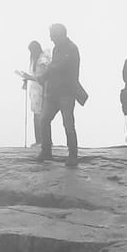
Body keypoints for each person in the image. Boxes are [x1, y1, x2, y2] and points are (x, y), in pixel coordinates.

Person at [37, 22, 85, 164]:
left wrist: (46, 72)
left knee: (68, 124)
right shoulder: (57, 48)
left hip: (67, 93)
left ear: (61, 35)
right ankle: (46, 151)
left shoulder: (71, 49)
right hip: (53, 93)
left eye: (53, 36)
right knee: (44, 120)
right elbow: (54, 67)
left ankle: (73, 155)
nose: (51, 39)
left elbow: (59, 66)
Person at [15, 39, 49, 146]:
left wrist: (29, 77)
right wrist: (27, 78)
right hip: (35, 91)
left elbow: (43, 77)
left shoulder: (42, 60)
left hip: (41, 90)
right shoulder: (36, 60)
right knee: (36, 116)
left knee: (40, 116)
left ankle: (42, 141)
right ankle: (39, 140)